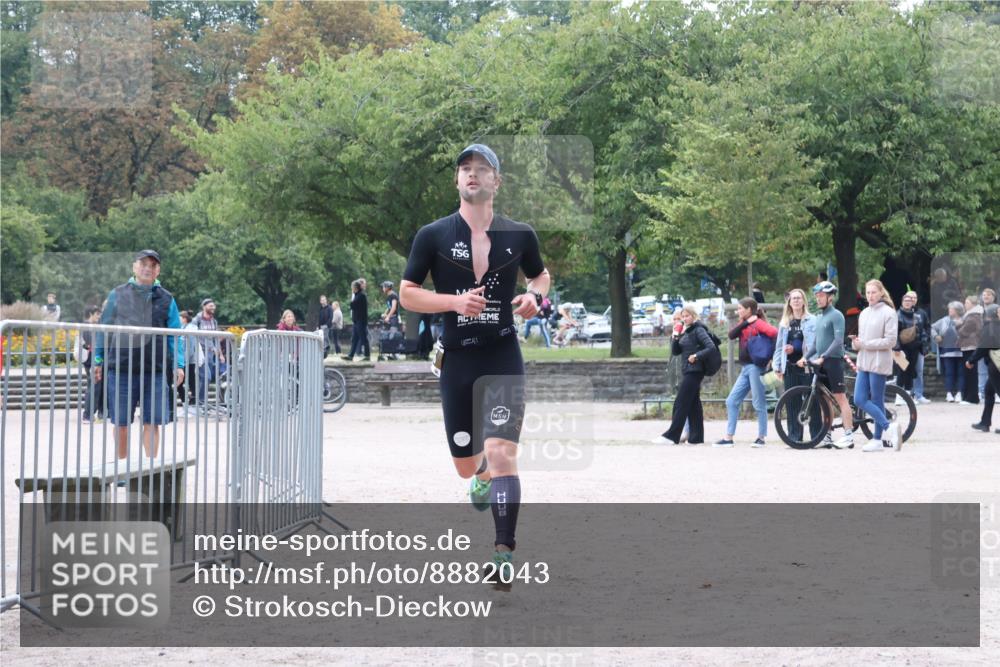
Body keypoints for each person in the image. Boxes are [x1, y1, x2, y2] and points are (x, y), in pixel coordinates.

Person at [399, 143, 550, 583]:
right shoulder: (433, 235)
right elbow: (408, 292)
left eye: (481, 169)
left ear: (496, 181)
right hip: (458, 358)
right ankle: (479, 474)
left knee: (504, 453)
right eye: (465, 169)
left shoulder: (519, 235)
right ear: (457, 180)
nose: (471, 175)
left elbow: (540, 275)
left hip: (502, 352)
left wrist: (534, 296)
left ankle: (503, 555)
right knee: (468, 464)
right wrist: (453, 301)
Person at [92, 250, 185, 460]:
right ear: (134, 267)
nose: (147, 268)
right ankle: (123, 470)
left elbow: (175, 335)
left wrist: (179, 364)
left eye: (152, 265)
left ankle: (150, 473)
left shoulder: (167, 299)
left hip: (155, 370)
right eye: (143, 264)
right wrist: (98, 359)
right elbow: (104, 329)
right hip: (121, 369)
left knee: (152, 422)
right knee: (121, 423)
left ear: (158, 270)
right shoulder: (117, 294)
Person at [715, 297, 778, 448]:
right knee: (731, 401)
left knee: (758, 402)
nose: (738, 311)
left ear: (749, 309)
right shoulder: (745, 324)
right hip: (745, 368)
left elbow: (776, 333)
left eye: (740, 308)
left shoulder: (759, 323)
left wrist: (771, 357)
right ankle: (728, 438)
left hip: (756, 368)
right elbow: (731, 335)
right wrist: (746, 322)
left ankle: (761, 438)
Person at [801, 281, 856, 448]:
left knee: (840, 397)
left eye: (821, 296)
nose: (818, 299)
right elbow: (817, 342)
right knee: (825, 401)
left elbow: (838, 341)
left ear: (830, 297)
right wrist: (805, 357)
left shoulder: (836, 315)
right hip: (821, 361)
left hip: (833, 361)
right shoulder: (819, 317)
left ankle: (848, 436)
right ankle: (828, 436)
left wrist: (823, 356)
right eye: (817, 296)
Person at [850, 279, 900, 452]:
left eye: (873, 292)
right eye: (868, 292)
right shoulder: (864, 313)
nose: (870, 296)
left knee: (877, 400)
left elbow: (891, 341)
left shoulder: (889, 312)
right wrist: (856, 344)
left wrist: (865, 344)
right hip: (864, 361)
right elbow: (862, 340)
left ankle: (878, 439)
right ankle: (888, 426)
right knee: (859, 399)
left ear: (881, 293)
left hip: (879, 362)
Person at [652, 305, 713, 445]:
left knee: (680, 402)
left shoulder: (699, 330)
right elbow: (676, 351)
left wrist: (696, 356)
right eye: (683, 316)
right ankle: (696, 438)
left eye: (687, 316)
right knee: (693, 405)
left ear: (694, 316)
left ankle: (671, 436)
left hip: (695, 371)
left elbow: (711, 347)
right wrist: (675, 336)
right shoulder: (685, 331)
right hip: (688, 370)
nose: (685, 319)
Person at [771, 289, 823, 445]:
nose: (796, 301)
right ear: (789, 302)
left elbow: (815, 344)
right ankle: (794, 437)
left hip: (807, 365)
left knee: (811, 401)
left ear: (804, 301)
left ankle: (816, 436)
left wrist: (797, 349)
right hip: (790, 366)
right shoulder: (785, 322)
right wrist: (777, 366)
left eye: (799, 298)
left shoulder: (813, 320)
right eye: (793, 298)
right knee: (792, 402)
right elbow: (779, 346)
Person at [191, 298, 227, 411]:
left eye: (214, 306)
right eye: (211, 306)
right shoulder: (197, 320)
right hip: (200, 352)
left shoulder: (213, 321)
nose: (213, 308)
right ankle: (200, 402)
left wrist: (220, 354)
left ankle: (201, 402)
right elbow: (192, 335)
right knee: (206, 376)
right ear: (204, 306)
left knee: (206, 378)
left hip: (210, 353)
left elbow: (215, 338)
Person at [969, 304, 1000, 434]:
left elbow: (983, 347)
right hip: (995, 364)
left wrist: (971, 360)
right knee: (988, 391)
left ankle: (985, 423)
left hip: (995, 365)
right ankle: (985, 422)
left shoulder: (990, 328)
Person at [894, 291, 928, 404]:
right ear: (902, 302)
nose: (908, 303)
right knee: (901, 370)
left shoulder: (917, 315)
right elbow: (893, 333)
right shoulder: (897, 315)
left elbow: (922, 331)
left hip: (914, 348)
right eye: (906, 301)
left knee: (910, 371)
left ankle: (908, 395)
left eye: (910, 301)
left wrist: (923, 344)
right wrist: (897, 348)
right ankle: (898, 396)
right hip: (900, 348)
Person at [74, 304, 104, 422]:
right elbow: (91, 344)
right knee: (94, 386)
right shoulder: (87, 327)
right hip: (92, 360)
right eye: (97, 314)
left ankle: (90, 413)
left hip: (90, 360)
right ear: (90, 314)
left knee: (93, 385)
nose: (98, 316)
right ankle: (87, 414)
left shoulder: (89, 326)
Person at [932, 301, 966, 402]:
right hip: (946, 351)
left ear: (957, 310)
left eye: (951, 309)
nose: (949, 311)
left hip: (962, 350)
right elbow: (932, 327)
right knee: (949, 373)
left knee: (961, 373)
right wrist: (936, 336)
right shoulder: (944, 320)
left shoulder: (965, 320)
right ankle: (949, 393)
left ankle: (959, 393)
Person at [957, 294, 983, 405]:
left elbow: (963, 331)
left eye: (967, 303)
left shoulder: (973, 316)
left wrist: (958, 326)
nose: (965, 305)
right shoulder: (970, 315)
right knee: (968, 372)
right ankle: (968, 396)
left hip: (970, 346)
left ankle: (972, 398)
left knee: (970, 372)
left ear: (973, 304)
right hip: (967, 346)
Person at [908, 291, 933, 404]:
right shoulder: (900, 313)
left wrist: (925, 341)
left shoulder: (922, 313)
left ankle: (918, 394)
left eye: (914, 297)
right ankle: (907, 395)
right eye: (910, 297)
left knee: (919, 371)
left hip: (919, 347)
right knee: (906, 371)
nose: (912, 300)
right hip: (906, 348)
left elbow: (927, 328)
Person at [978, 288, 997, 401]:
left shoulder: (997, 310)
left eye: (988, 295)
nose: (986, 297)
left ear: (993, 297)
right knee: (982, 371)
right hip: (981, 343)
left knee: (995, 371)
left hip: (994, 345)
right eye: (984, 295)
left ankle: (995, 392)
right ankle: (981, 393)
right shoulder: (978, 310)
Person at [344, 279, 370, 361]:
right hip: (356, 321)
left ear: (356, 288)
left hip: (361, 321)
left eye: (352, 287)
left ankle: (367, 355)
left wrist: (351, 304)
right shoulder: (357, 295)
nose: (352, 289)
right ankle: (351, 355)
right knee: (354, 339)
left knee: (363, 338)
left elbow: (353, 305)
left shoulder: (361, 295)